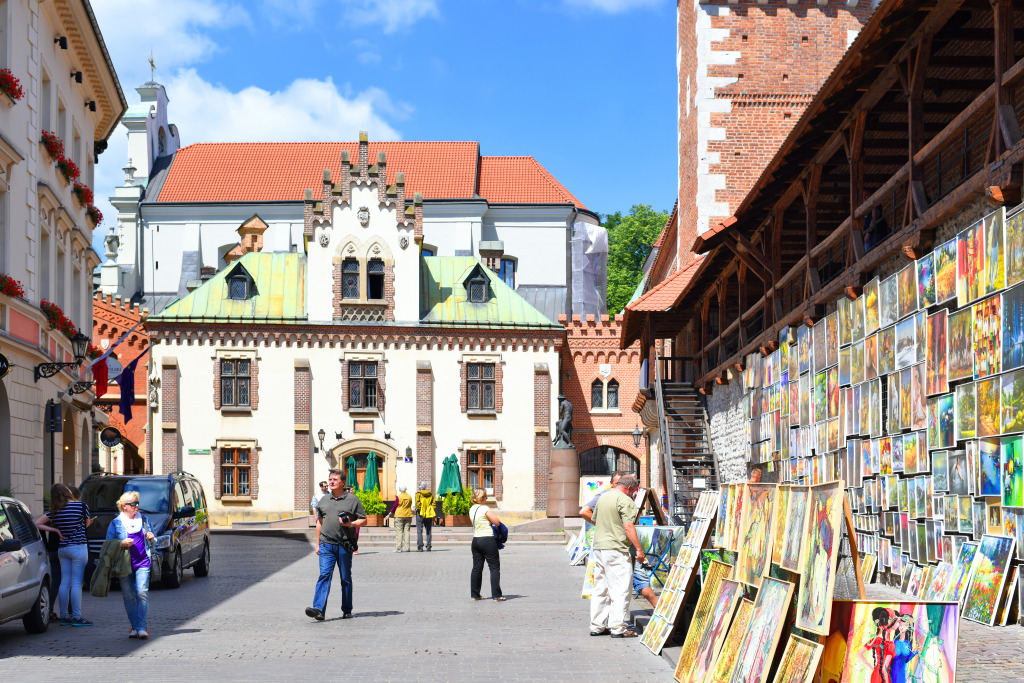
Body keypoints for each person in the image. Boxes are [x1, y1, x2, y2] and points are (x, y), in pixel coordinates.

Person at [589, 474, 644, 638]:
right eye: (633, 491)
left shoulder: (603, 497)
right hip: (616, 549)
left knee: (601, 588)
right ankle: (617, 627)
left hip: (599, 548)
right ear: (629, 488)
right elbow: (628, 527)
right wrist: (639, 550)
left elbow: (595, 519)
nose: (633, 494)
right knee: (620, 589)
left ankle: (597, 625)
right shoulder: (625, 500)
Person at [306, 470, 366, 620]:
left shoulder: (353, 500)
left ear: (342, 482)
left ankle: (347, 609)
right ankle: (319, 609)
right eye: (330, 479)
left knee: (345, 577)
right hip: (327, 544)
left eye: (335, 479)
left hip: (344, 545)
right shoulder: (324, 501)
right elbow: (319, 523)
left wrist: (351, 523)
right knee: (324, 575)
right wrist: (318, 544)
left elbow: (363, 520)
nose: (331, 482)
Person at [34, 483, 93, 626]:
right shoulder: (82, 506)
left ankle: (64, 616)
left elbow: (37, 523)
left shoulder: (55, 510)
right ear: (67, 491)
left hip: (63, 549)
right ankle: (77, 617)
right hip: (78, 547)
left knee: (64, 582)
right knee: (77, 583)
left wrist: (56, 531)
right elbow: (85, 525)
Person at [106, 491, 156, 638]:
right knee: (128, 596)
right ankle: (134, 626)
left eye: (137, 503)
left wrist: (152, 538)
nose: (136, 506)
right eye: (133, 504)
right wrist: (121, 543)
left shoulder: (145, 520)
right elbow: (108, 543)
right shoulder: (116, 523)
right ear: (124, 506)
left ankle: (142, 627)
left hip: (143, 562)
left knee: (141, 592)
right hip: (124, 564)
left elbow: (154, 540)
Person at [469, 488, 505, 601]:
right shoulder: (485, 508)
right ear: (482, 498)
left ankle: (475, 594)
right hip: (487, 540)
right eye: (485, 496)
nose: (487, 498)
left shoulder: (471, 509)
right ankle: (496, 595)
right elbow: (497, 522)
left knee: (476, 568)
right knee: (494, 568)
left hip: (476, 540)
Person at [385, 485, 414, 553]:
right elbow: (410, 505)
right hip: (408, 515)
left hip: (399, 515)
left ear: (400, 490)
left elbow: (395, 506)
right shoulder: (409, 496)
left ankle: (399, 548)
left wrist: (389, 515)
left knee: (399, 532)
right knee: (407, 531)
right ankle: (407, 548)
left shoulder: (399, 497)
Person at [415, 482, 435, 551]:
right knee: (428, 530)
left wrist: (421, 510)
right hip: (429, 514)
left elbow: (417, 505)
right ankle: (429, 546)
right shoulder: (430, 494)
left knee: (419, 531)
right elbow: (434, 504)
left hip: (420, 514)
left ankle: (420, 547)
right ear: (426, 487)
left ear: (420, 487)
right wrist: (429, 510)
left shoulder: (418, 494)